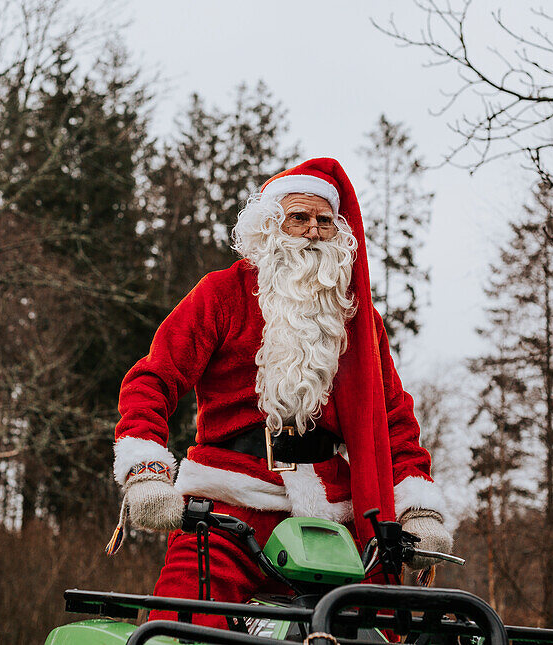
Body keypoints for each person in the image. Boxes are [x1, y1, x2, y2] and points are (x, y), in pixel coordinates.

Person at [110, 158, 452, 626]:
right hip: (228, 507)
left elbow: (392, 418)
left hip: (335, 517)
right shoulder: (222, 294)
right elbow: (153, 378)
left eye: (324, 221)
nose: (313, 231)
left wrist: (418, 509)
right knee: (183, 622)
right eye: (299, 217)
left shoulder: (358, 317)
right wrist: (146, 471)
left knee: (376, 629)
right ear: (271, 224)